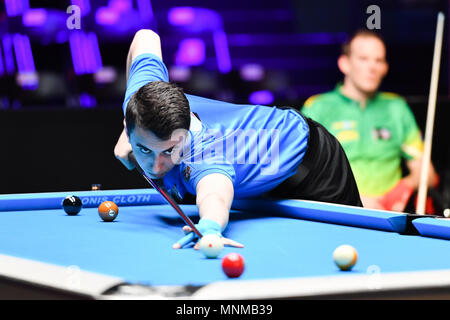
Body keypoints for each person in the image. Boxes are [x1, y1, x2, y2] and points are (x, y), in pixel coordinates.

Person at [114, 29, 362, 250]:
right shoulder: (141, 101)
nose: (157, 167)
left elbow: (215, 196)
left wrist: (210, 228)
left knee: (356, 242)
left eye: (169, 151)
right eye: (145, 150)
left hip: (314, 164)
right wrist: (128, 126)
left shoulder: (203, 155)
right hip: (259, 174)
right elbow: (146, 37)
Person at [302, 29, 439, 212]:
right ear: (344, 64)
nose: (372, 67)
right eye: (363, 59)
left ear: (385, 67)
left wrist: (404, 187)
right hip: (336, 214)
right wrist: (352, 200)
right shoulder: (318, 107)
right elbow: (302, 174)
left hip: (389, 217)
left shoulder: (396, 108)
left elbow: (428, 174)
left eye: (378, 60)